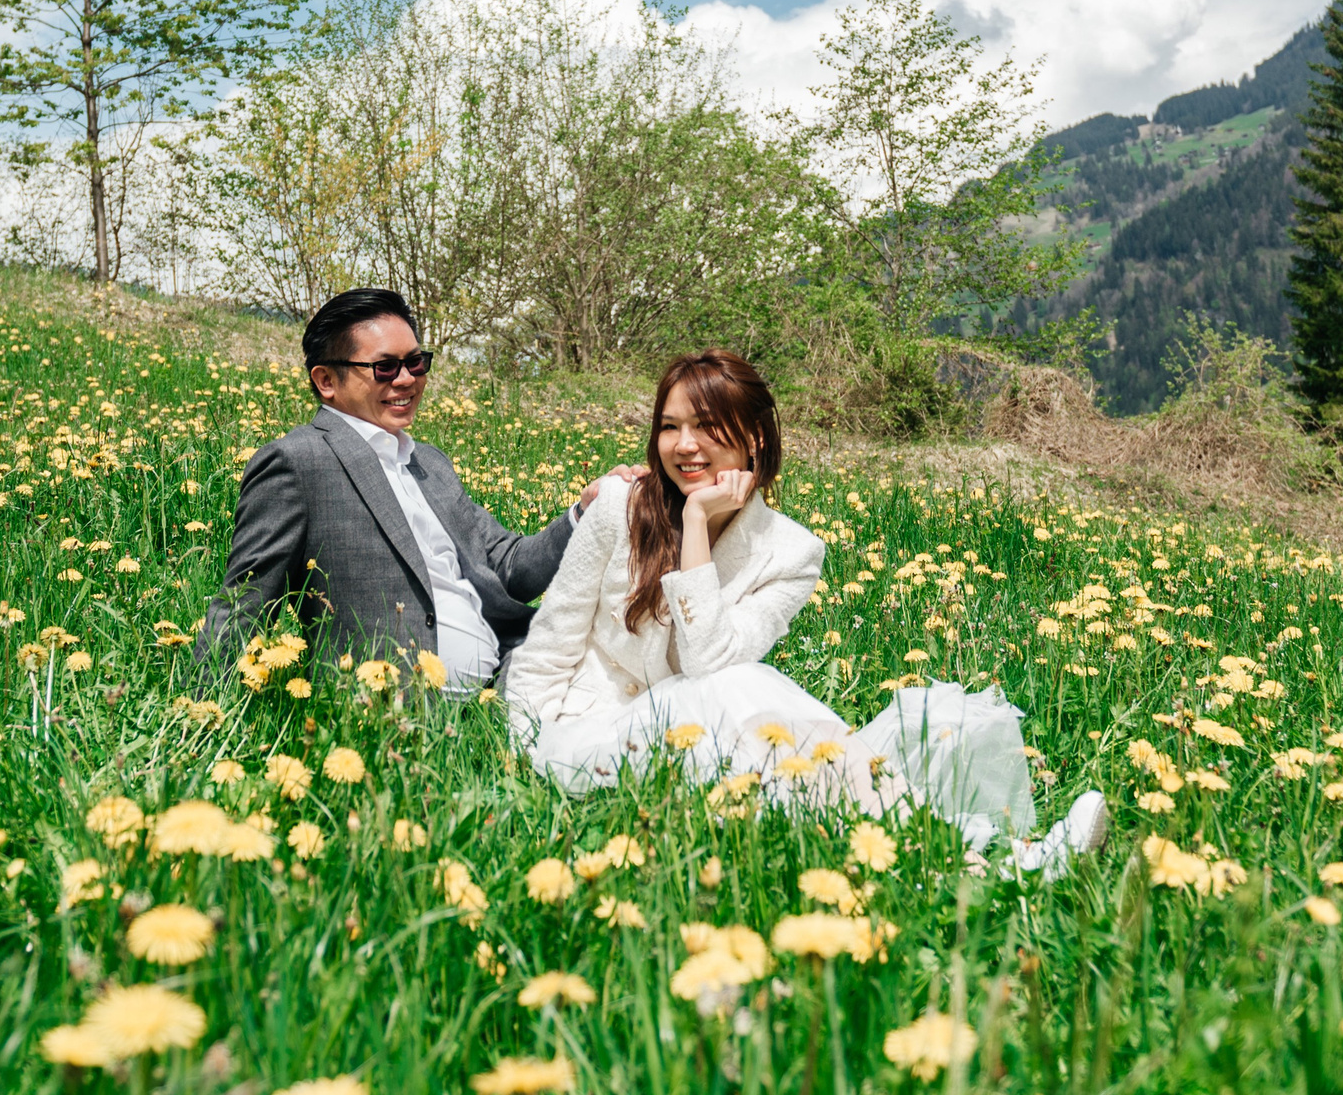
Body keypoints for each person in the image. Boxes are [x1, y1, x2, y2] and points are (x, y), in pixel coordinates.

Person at [504, 347, 1108, 875]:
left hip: (699, 743)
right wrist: (526, 751)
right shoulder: (618, 506)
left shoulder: (791, 552)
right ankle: (980, 856)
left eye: (705, 425)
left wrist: (694, 527)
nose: (683, 445)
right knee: (753, 694)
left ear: (754, 438)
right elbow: (550, 644)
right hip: (590, 739)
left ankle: (978, 856)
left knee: (799, 758)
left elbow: (705, 660)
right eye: (669, 426)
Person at [199, 287, 636, 692]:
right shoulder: (297, 463)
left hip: (517, 668)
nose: (406, 379)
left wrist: (584, 512)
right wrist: (197, 721)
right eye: (384, 367)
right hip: (402, 706)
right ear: (326, 381)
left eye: (416, 362)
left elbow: (506, 570)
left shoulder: (429, 463)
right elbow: (244, 603)